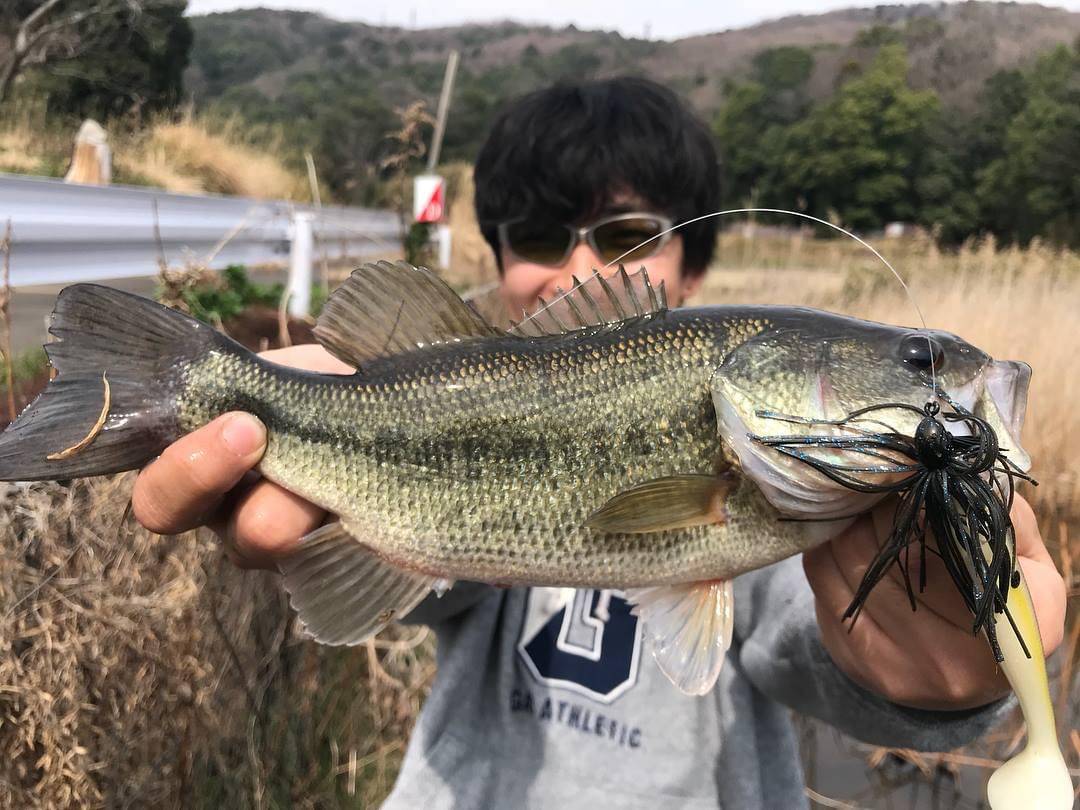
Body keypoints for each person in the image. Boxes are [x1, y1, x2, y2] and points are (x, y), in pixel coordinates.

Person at [130, 78, 1066, 808]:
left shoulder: (812, 513)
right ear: (493, 254)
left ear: (693, 267)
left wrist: (953, 679)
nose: (585, 265)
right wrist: (278, 430)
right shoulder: (459, 384)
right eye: (542, 234)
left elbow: (801, 643)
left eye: (626, 234)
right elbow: (425, 587)